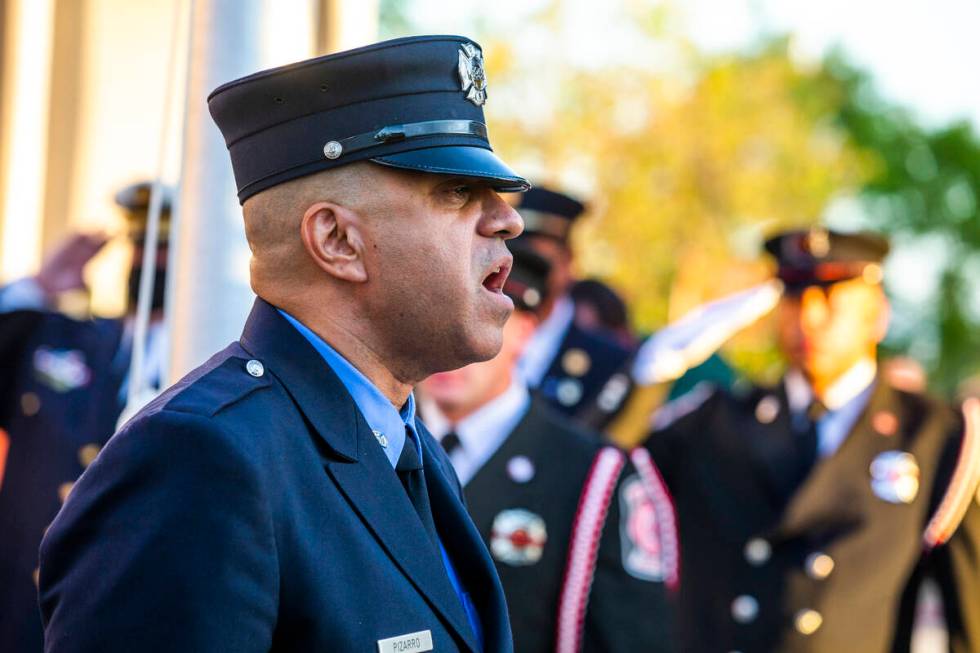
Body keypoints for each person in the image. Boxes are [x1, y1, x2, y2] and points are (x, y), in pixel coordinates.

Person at [39, 35, 529, 653]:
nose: (507, 220)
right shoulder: (200, 460)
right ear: (337, 241)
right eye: (456, 193)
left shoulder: (402, 444)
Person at [640, 227, 980, 652]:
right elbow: (593, 472)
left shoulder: (934, 433)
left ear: (877, 314)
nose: (809, 318)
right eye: (795, 298)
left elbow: (969, 615)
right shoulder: (715, 422)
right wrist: (652, 370)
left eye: (832, 298)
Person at [419, 244, 678, 653]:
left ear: (524, 331)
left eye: (477, 316)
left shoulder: (596, 474)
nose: (453, 339)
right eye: (433, 314)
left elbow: (634, 637)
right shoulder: (377, 444)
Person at [0, 182, 170, 653]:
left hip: (123, 612)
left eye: (164, 251)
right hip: (23, 611)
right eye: (141, 249)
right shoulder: (64, 337)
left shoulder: (210, 356)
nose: (147, 264)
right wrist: (36, 287)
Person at [513, 187, 633, 420]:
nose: (520, 273)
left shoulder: (608, 361)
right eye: (516, 257)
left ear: (567, 264)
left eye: (538, 262)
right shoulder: (470, 342)